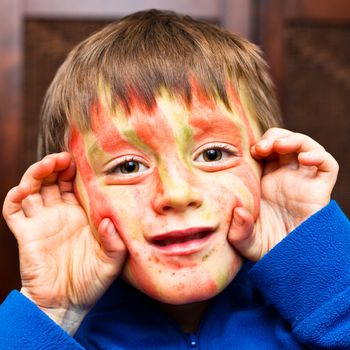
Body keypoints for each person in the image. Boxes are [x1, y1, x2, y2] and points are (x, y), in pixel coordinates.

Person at [1, 9, 349, 349]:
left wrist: (315, 267)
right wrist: (52, 309)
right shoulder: (56, 333)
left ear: (268, 164)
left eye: (212, 154)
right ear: (70, 198)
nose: (177, 193)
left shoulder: (316, 305)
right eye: (127, 167)